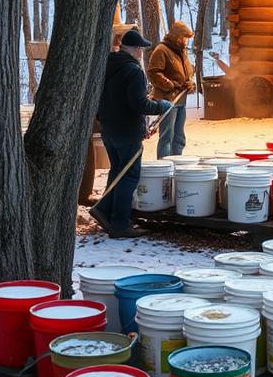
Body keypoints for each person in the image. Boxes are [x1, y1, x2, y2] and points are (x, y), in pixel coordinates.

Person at [90, 28, 171, 238]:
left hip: (109, 129)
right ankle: (120, 223)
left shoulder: (106, 66)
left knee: (118, 171)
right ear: (134, 49)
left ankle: (104, 209)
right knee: (129, 176)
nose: (142, 52)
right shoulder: (133, 71)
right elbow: (139, 104)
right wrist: (161, 106)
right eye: (141, 49)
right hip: (126, 132)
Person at [78, 22, 137, 206]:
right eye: (118, 37)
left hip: (102, 115)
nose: (118, 42)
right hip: (99, 114)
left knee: (107, 163)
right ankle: (90, 198)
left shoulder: (110, 59)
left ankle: (97, 201)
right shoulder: (104, 59)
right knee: (119, 168)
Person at [148, 21, 196, 158]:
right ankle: (165, 164)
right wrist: (169, 85)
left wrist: (190, 84)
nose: (185, 41)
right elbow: (153, 72)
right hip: (167, 100)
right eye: (184, 38)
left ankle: (177, 162)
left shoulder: (182, 52)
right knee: (167, 136)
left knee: (179, 137)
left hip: (181, 99)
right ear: (177, 37)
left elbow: (188, 72)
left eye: (186, 38)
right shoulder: (161, 50)